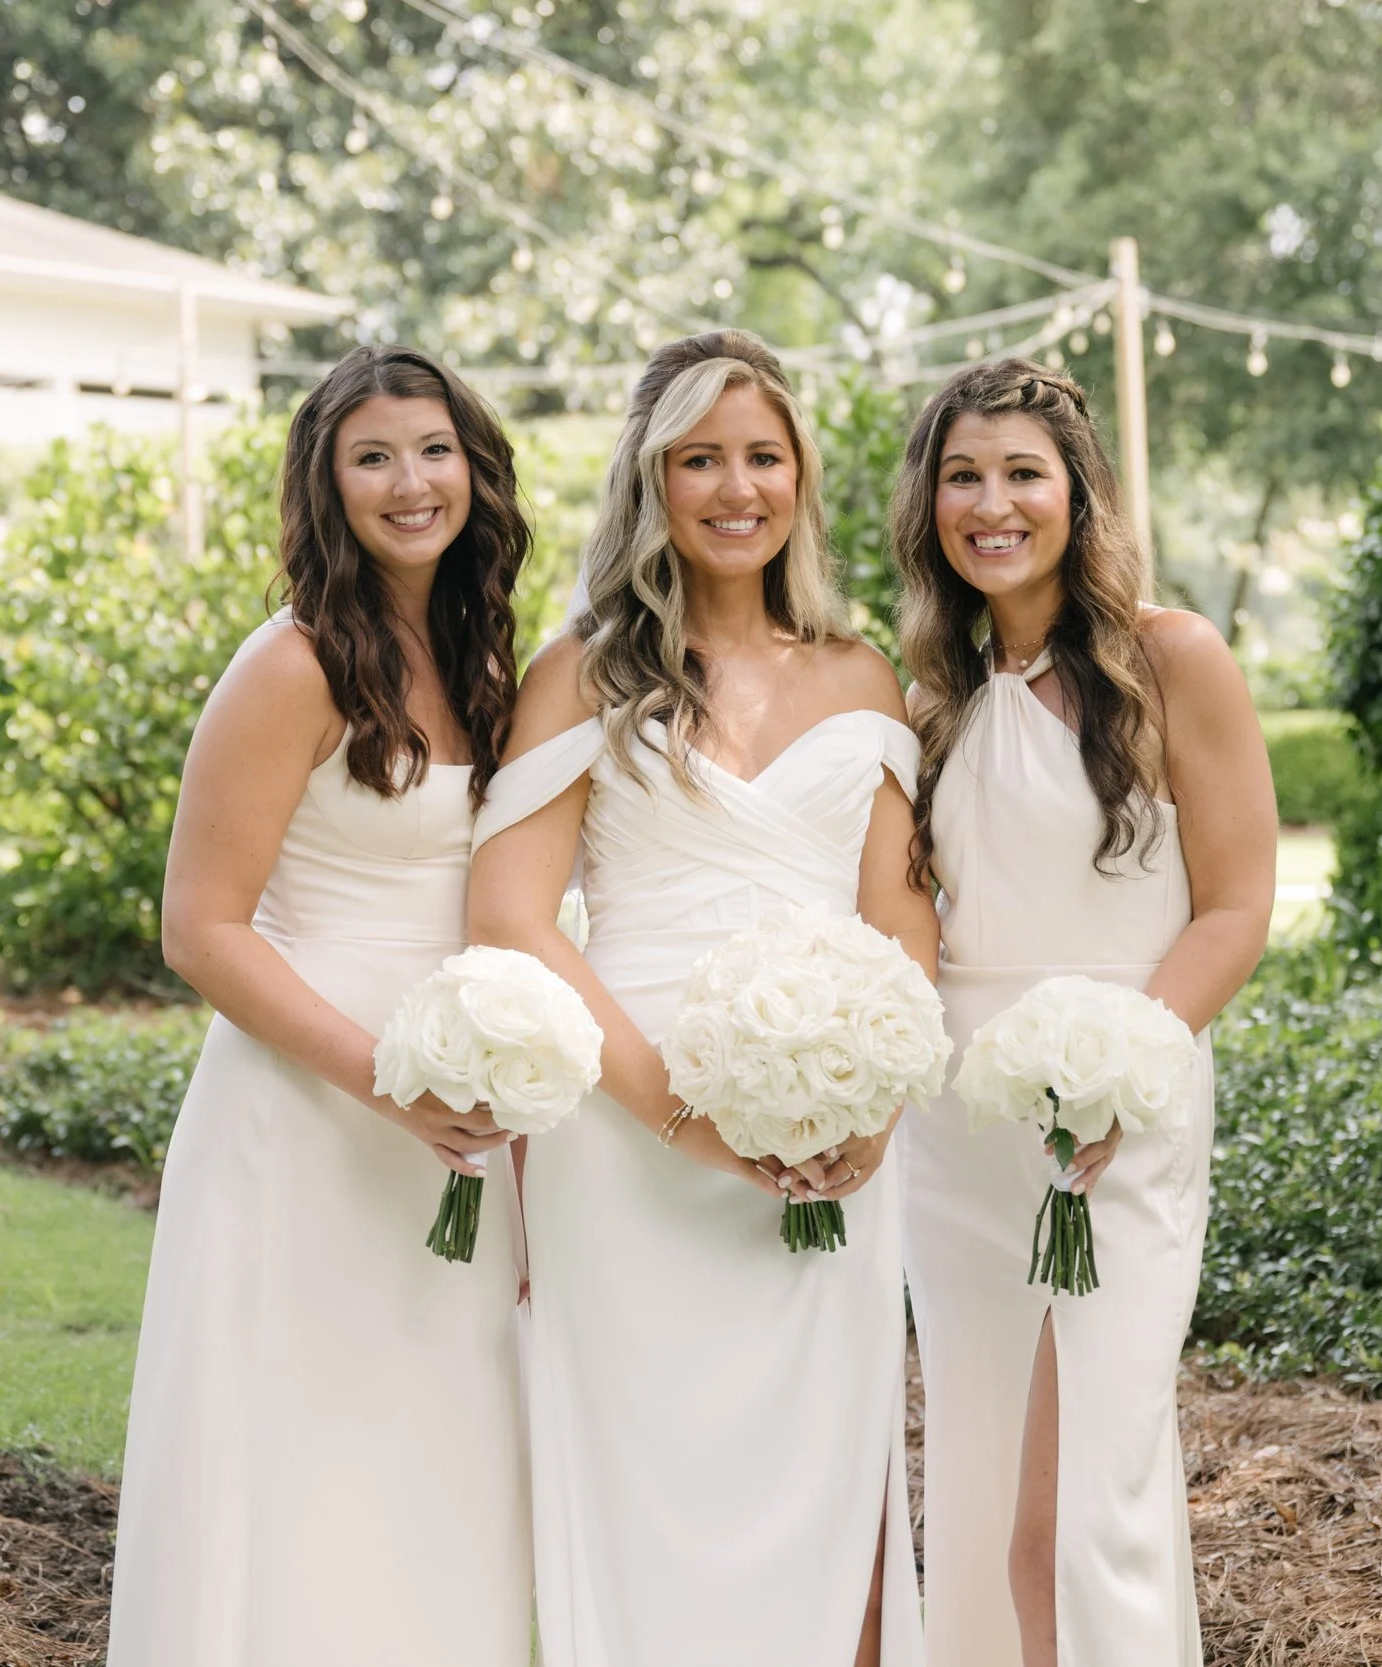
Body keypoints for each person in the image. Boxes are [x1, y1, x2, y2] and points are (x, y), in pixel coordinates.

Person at [466, 330, 932, 1667]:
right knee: (650, 1496)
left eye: (763, 457)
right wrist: (688, 1117)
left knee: (833, 1490)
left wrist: (875, 1108)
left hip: (833, 1144)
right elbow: (510, 915)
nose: (737, 488)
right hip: (629, 1144)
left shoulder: (861, 673)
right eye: (700, 459)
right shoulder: (583, 673)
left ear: (801, 478)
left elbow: (903, 918)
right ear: (650, 479)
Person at [106, 344, 533, 1666]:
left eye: (434, 450)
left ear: (474, 469)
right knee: (295, 1446)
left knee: (436, 1446)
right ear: (327, 484)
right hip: (306, 1112)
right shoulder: (291, 664)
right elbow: (201, 928)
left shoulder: (482, 657)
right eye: (373, 457)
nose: (411, 482)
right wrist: (386, 1079)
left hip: (459, 1116)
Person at [893, 359, 1275, 1667]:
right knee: (983, 1491)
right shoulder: (929, 694)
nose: (991, 504)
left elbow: (1237, 907)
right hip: (959, 1137)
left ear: (1078, 492)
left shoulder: (1174, 660)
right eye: (962, 476)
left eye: (1022, 473)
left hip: (1120, 1108)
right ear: (930, 505)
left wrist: (1125, 1067)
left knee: (1070, 1520)